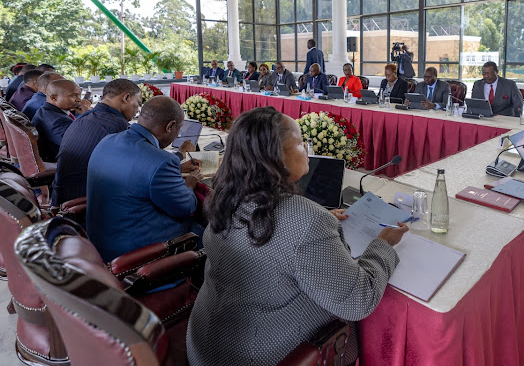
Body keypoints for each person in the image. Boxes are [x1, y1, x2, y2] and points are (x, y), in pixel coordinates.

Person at [186, 107, 407, 365]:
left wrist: (320, 225)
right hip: (261, 355)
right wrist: (382, 245)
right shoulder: (306, 220)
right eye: (301, 143)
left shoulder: (225, 197)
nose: (308, 151)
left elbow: (273, 244)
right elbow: (357, 301)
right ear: (276, 157)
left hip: (205, 345)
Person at [85, 96, 203, 262]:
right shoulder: (162, 161)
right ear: (170, 127)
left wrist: (177, 165)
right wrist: (189, 184)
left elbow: (137, 170)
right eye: (179, 129)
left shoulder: (107, 140)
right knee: (211, 230)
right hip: (136, 252)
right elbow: (186, 208)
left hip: (99, 240)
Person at [51, 79, 142, 206]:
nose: (136, 111)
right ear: (126, 97)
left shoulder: (84, 116)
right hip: (84, 205)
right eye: (137, 104)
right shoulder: (116, 124)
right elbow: (137, 169)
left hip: (61, 199)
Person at [32, 80, 89, 162]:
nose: (79, 99)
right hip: (65, 163)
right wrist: (87, 116)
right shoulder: (58, 121)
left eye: (79, 95)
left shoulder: (45, 111)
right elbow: (80, 146)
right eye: (73, 95)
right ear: (54, 98)